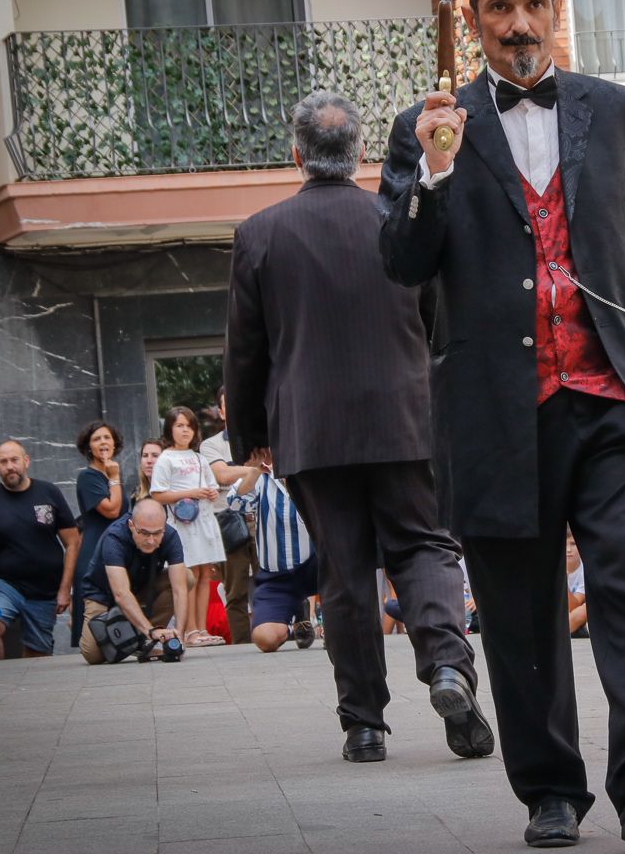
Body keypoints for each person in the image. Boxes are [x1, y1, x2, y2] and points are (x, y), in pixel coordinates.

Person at [378, 0, 625, 847]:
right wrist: (434, 174)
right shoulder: (428, 125)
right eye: (500, 8)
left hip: (612, 399)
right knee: (519, 615)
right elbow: (401, 264)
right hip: (494, 412)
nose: (519, 24)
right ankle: (551, 789)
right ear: (470, 19)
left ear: (558, 12)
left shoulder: (617, 110)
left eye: (535, 6)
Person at [228, 91, 492, 770]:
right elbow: (440, 317)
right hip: (405, 414)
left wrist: (248, 435)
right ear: (361, 155)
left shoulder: (259, 233)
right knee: (426, 545)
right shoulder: (397, 217)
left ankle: (364, 726)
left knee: (343, 571)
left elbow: (246, 347)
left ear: (296, 154)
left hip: (311, 428)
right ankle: (447, 667)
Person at [0, 440, 80, 659]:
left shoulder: (48, 492)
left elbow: (72, 542)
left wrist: (65, 589)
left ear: (26, 461)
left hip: (45, 589)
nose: (9, 466)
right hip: (6, 584)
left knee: (37, 651)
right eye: (3, 462)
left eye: (14, 460)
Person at [149, 407, 227, 648]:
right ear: (170, 429)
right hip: (182, 525)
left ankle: (201, 628)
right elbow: (158, 494)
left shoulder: (199, 457)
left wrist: (210, 492)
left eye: (189, 426)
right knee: (189, 576)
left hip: (204, 521)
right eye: (180, 425)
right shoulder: (165, 458)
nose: (185, 430)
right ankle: (190, 630)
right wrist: (191, 493)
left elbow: (212, 487)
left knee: (205, 574)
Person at [80, 499, 191, 665]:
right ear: (131, 525)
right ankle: (143, 632)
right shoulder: (114, 537)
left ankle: (143, 639)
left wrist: (179, 637)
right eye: (144, 533)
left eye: (157, 533)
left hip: (141, 588)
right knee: (93, 655)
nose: (151, 540)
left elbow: (179, 589)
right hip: (103, 595)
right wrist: (150, 630)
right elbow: (121, 593)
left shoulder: (170, 535)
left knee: (187, 576)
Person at [228, 467, 318, 653]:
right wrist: (254, 470)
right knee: (265, 639)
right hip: (277, 576)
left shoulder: (311, 468)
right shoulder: (261, 477)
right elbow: (234, 503)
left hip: (316, 565)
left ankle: (325, 622)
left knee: (338, 635)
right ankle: (295, 613)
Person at [200, 388, 259, 645]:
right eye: (228, 406)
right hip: (229, 522)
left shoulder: (262, 439)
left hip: (264, 520)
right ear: (221, 411)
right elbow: (221, 475)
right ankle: (243, 647)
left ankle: (295, 635)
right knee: (235, 593)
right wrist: (258, 467)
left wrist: (239, 469)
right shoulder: (210, 444)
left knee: (279, 580)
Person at [72, 420, 127, 648]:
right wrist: (114, 477)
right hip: (95, 551)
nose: (103, 442)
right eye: (96, 439)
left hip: (116, 550)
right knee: (95, 620)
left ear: (115, 443)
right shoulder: (89, 477)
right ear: (89, 447)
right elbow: (112, 510)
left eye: (107, 437)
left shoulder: (110, 476)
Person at [565, 531, 588, 637]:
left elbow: (574, 605)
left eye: (573, 544)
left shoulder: (585, 570)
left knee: (583, 610)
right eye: (565, 545)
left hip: (574, 611)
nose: (569, 550)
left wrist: (563, 583)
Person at [132, 439, 162, 507]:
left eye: (155, 455)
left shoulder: (175, 492)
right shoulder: (137, 493)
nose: (149, 461)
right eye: (145, 455)